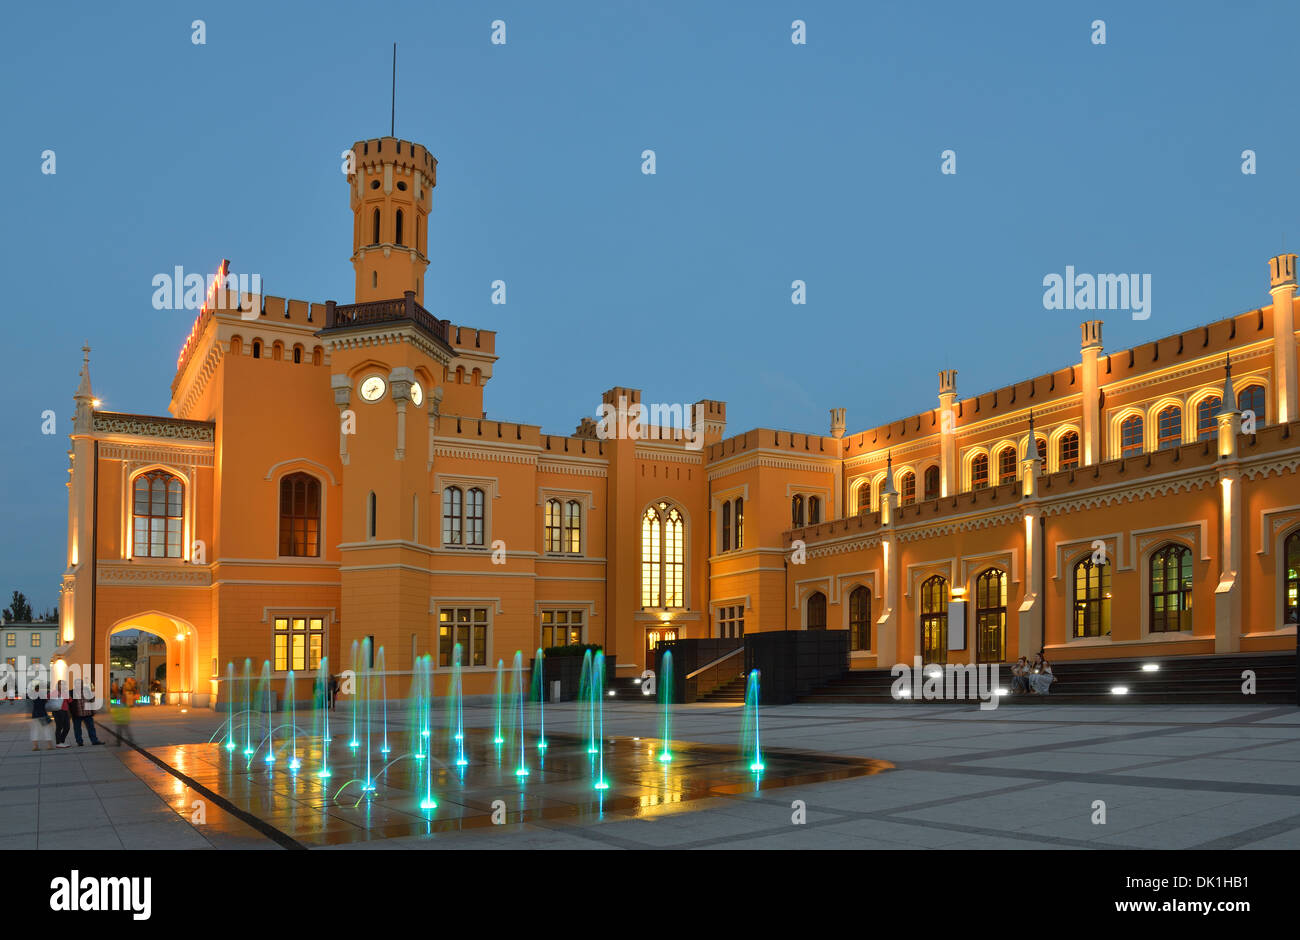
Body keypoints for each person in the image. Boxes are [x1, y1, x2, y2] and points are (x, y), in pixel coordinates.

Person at [30, 686, 54, 750]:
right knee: (46, 729)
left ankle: (35, 746)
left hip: (35, 715)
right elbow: (45, 703)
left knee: (35, 730)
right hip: (43, 715)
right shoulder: (42, 695)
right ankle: (49, 745)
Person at [50, 682, 73, 748]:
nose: (62, 686)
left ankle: (62, 741)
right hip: (57, 711)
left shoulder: (65, 692)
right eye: (61, 684)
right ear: (58, 685)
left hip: (65, 711)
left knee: (67, 727)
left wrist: (68, 696)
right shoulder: (54, 692)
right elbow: (48, 698)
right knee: (59, 727)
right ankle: (58, 743)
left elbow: (70, 701)